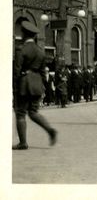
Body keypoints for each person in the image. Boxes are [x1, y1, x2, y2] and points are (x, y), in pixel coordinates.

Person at [12, 21, 57, 150]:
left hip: (24, 84)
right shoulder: (40, 51)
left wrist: (14, 87)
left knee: (20, 113)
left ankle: (23, 143)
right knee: (33, 112)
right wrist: (42, 87)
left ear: (24, 34)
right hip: (37, 84)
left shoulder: (21, 49)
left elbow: (16, 70)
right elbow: (43, 72)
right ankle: (50, 130)